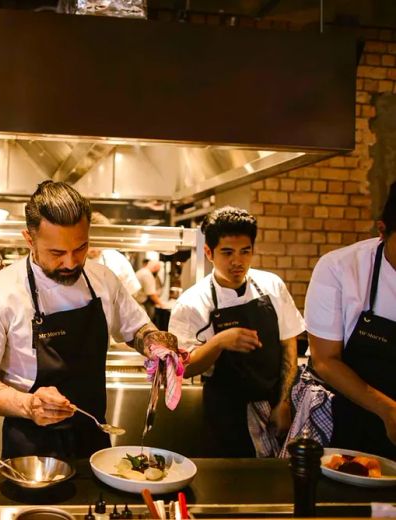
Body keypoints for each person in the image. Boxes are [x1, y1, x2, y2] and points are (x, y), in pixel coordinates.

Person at [0, 181, 178, 459]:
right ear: (29, 239)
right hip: (30, 446)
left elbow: (136, 329)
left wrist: (157, 344)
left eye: (80, 248)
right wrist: (29, 404)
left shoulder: (103, 280)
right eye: (57, 253)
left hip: (94, 434)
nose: (71, 263)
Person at [168, 207, 304, 457]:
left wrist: (284, 403)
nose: (237, 262)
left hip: (274, 406)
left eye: (245, 252)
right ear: (209, 252)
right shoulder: (192, 303)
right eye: (227, 253)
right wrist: (219, 342)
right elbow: (182, 367)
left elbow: (289, 344)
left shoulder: (272, 286)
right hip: (225, 416)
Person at [306, 182, 396, 459]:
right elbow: (325, 360)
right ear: (382, 231)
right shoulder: (340, 269)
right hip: (350, 423)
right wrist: (388, 411)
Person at [87, 212, 141, 297]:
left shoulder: (116, 259)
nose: (95, 249)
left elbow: (133, 292)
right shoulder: (72, 260)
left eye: (100, 243)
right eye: (91, 243)